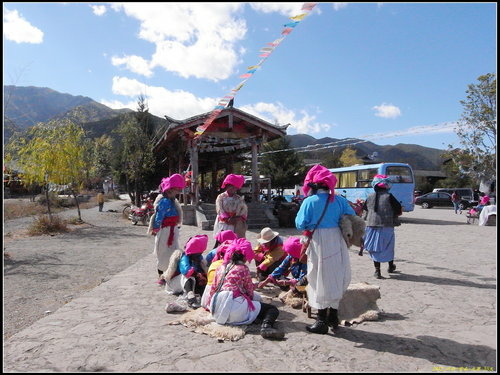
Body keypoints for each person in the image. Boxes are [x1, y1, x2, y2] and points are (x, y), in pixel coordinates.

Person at [295, 164, 356, 334]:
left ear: (314, 185)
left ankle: (321, 320)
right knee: (336, 275)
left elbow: (300, 223)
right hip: (337, 240)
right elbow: (352, 215)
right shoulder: (340, 200)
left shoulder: (310, 201)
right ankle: (333, 317)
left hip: (319, 242)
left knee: (318, 276)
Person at [207, 238, 285, 340]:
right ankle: (266, 327)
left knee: (256, 306)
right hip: (233, 307)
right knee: (272, 309)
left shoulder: (221, 267)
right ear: (245, 256)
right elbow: (249, 293)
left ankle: (249, 317)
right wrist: (255, 287)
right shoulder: (243, 268)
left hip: (216, 309)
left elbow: (213, 289)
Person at [360, 174, 402, 280]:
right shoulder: (389, 196)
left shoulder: (369, 197)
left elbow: (365, 210)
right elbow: (398, 210)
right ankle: (390, 267)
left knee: (375, 248)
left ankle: (377, 271)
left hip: (371, 226)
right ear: (387, 186)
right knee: (388, 247)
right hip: (386, 226)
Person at [148, 174, 185, 285]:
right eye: (176, 190)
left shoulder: (172, 201)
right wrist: (155, 228)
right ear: (169, 190)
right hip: (165, 231)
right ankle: (161, 276)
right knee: (163, 253)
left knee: (172, 252)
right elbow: (159, 217)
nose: (178, 192)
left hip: (172, 230)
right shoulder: (164, 202)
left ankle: (170, 274)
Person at [165, 234, 208, 309]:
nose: (199, 257)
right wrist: (197, 274)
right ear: (192, 253)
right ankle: (191, 298)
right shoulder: (184, 258)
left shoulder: (198, 258)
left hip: (188, 283)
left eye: (200, 254)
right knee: (187, 277)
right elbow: (186, 271)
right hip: (175, 284)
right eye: (197, 255)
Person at [213, 174, 248, 239]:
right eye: (231, 186)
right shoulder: (221, 197)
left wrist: (237, 218)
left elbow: (244, 210)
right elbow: (219, 209)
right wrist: (226, 218)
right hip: (224, 223)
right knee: (223, 240)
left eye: (235, 187)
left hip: (235, 223)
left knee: (233, 240)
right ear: (227, 186)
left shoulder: (239, 198)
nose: (233, 188)